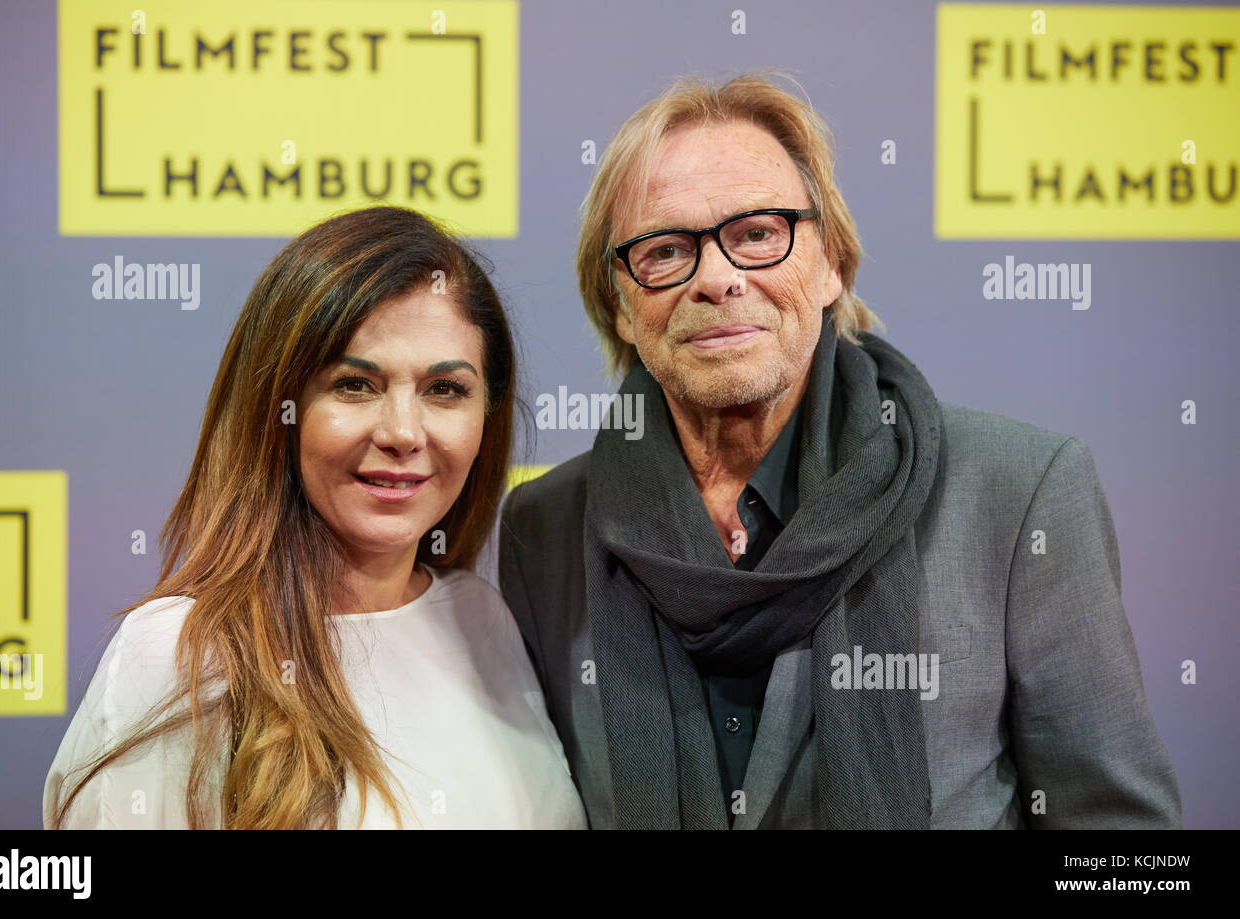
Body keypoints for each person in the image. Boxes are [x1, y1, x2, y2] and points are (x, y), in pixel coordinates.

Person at [497, 74, 1182, 829]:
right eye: (664, 250)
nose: (719, 279)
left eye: (759, 233)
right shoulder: (545, 528)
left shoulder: (1017, 493)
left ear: (832, 263)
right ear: (622, 304)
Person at [44, 206, 587, 829]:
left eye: (445, 390)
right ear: (279, 411)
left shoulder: (482, 618)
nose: (404, 433)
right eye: (356, 385)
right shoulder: (176, 660)